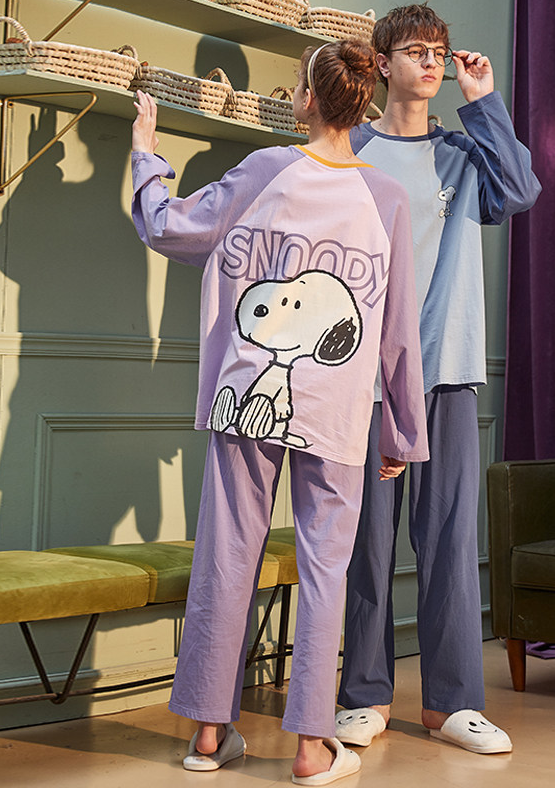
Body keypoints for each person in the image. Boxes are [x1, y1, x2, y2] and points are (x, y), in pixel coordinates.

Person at [130, 39, 429, 786]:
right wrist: (401, 429)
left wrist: (146, 152)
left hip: (245, 396)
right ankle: (310, 747)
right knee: (326, 569)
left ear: (306, 99)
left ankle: (208, 734)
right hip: (337, 409)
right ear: (361, 103)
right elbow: (398, 330)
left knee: (227, 555)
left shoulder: (265, 170)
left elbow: (168, 227)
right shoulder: (387, 197)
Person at [334, 4, 542, 755]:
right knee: (366, 542)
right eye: (414, 50)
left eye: (439, 51)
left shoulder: (463, 154)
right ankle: (364, 695)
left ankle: (451, 704)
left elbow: (520, 191)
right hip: (361, 378)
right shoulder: (350, 151)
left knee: (450, 540)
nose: (430, 61)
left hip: (447, 370)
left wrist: (483, 100)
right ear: (382, 62)